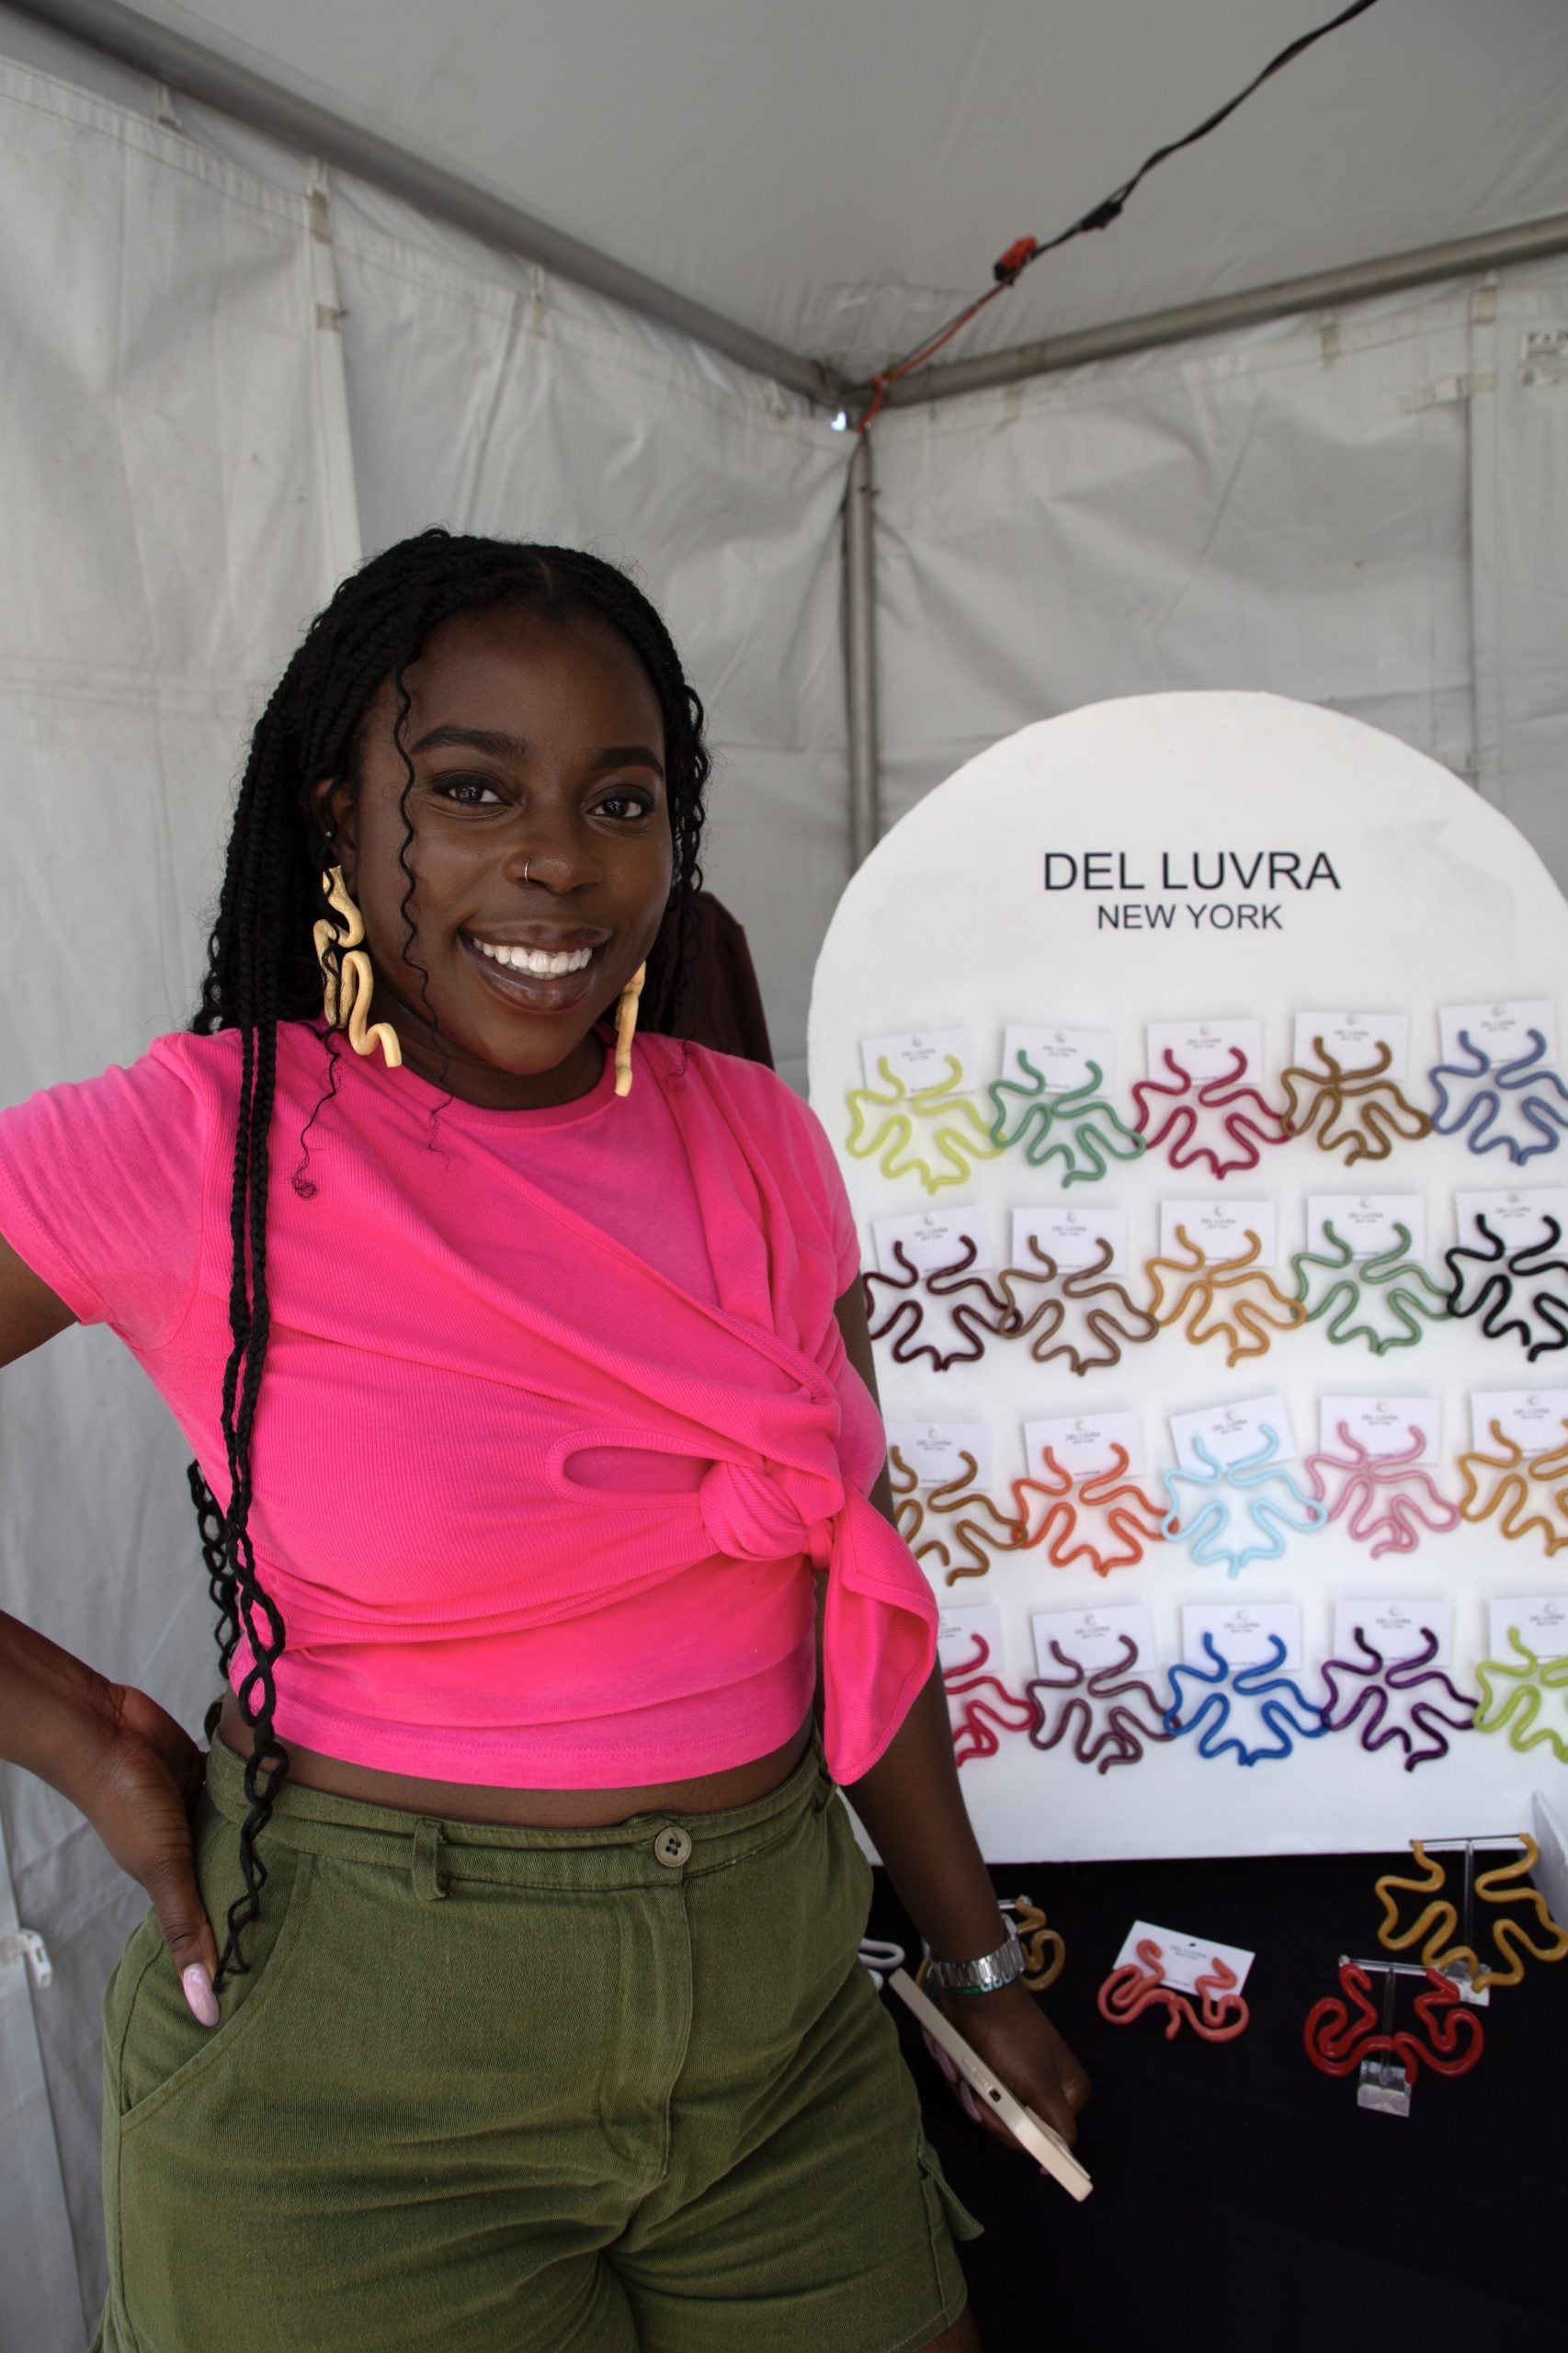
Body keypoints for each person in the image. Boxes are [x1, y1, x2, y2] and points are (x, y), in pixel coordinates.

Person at [0, 531, 1088, 2353]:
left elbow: (859, 1574)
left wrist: (972, 1957)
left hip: (776, 2014)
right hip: (363, 2051)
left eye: (619, 799)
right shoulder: (202, 1144)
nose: (559, 858)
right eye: (472, 788)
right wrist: (71, 1727)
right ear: (338, 817)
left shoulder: (761, 1139)